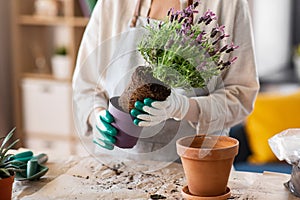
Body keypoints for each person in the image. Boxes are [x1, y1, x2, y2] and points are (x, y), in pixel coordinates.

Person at [72, 0, 259, 161]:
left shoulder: (226, 4)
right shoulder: (113, 4)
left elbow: (241, 95)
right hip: (116, 167)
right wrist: (96, 116)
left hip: (194, 168)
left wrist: (185, 108)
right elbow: (85, 85)